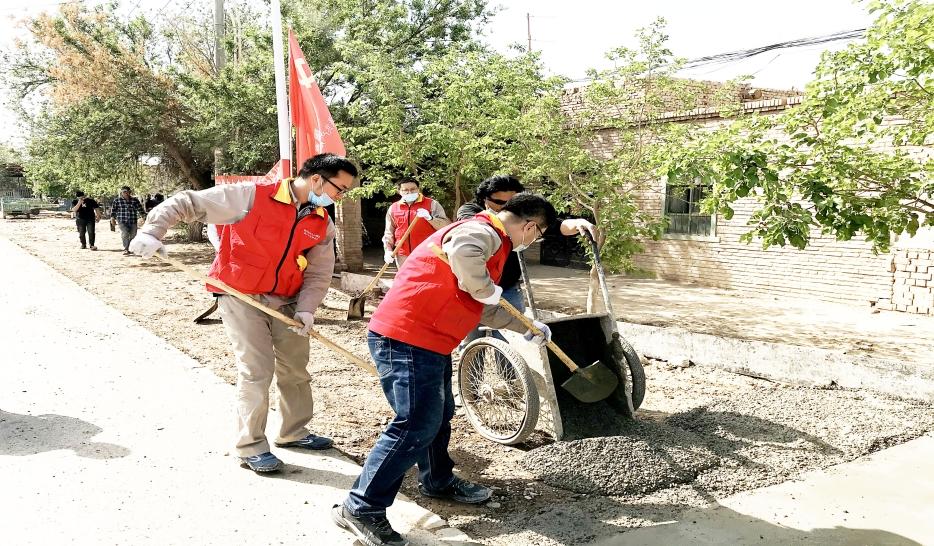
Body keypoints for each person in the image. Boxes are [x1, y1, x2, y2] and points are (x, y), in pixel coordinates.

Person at [332, 193, 557, 546]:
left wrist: (526, 326)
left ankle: (437, 480)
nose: (533, 242)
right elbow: (466, 258)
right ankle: (360, 506)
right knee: (416, 422)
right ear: (530, 226)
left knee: (439, 414)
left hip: (432, 340)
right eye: (537, 235)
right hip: (406, 336)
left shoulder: (493, 247)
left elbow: (482, 306)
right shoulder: (484, 231)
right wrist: (485, 289)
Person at [128, 153, 358, 473]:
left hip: (287, 301)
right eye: (340, 188)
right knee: (256, 371)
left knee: (295, 369)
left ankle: (293, 432)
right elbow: (187, 202)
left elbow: (319, 272)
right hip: (241, 296)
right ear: (318, 179)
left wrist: (307, 309)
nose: (340, 196)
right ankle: (250, 445)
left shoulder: (321, 221)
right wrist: (153, 230)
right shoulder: (250, 196)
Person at [456, 175, 597, 347]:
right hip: (474, 290)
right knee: (473, 341)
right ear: (485, 200)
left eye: (511, 203)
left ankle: (512, 374)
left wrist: (578, 223)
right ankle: (470, 372)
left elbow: (557, 226)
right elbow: (467, 240)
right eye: (501, 203)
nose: (507, 210)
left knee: (515, 342)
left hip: (508, 288)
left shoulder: (524, 218)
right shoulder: (472, 215)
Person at [381, 178, 450, 267]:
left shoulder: (432, 204)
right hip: (403, 254)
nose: (409, 192)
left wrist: (430, 218)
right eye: (405, 190)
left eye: (413, 189)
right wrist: (388, 250)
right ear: (399, 191)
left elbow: (445, 225)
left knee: (425, 280)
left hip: (426, 253)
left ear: (418, 189)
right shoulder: (394, 208)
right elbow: (389, 231)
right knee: (405, 280)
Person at [110, 186, 145, 255]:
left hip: (132, 220)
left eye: (127, 192)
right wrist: (112, 218)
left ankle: (131, 248)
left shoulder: (135, 200)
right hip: (122, 220)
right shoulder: (117, 200)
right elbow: (114, 210)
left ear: (130, 192)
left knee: (133, 235)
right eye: (124, 192)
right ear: (122, 193)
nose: (126, 193)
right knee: (125, 233)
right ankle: (126, 248)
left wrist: (144, 216)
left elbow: (140, 209)